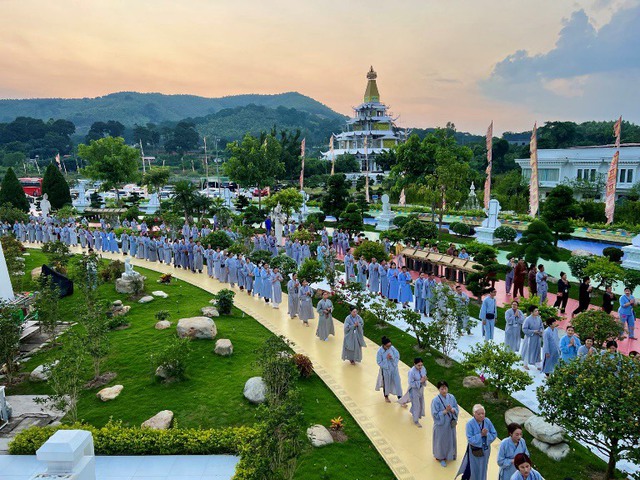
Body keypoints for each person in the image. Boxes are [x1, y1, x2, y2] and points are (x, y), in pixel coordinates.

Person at [456, 404, 498, 480]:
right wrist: (481, 435)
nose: (481, 416)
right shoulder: (470, 424)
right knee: (472, 466)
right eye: (479, 414)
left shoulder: (487, 421)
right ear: (474, 414)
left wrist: (486, 435)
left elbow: (494, 434)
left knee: (483, 466)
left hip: (485, 450)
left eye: (483, 414)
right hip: (474, 450)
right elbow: (470, 439)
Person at [431, 380, 459, 467]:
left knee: (451, 438)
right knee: (441, 441)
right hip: (441, 425)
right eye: (442, 389)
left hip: (450, 423)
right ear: (438, 389)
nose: (444, 391)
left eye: (445, 388)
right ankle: (440, 457)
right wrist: (445, 411)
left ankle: (451, 454)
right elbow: (435, 414)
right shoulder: (435, 400)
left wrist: (452, 410)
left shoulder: (451, 397)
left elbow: (456, 408)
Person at [399, 357, 427, 427]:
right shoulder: (411, 372)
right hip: (414, 390)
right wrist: (420, 381)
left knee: (421, 403)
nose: (420, 367)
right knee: (416, 405)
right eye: (418, 365)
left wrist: (424, 380)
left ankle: (414, 413)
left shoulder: (423, 368)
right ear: (414, 364)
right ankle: (416, 420)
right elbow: (411, 383)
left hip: (421, 389)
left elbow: (424, 376)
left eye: (421, 365)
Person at [375, 336, 403, 402]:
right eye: (387, 346)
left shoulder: (392, 348)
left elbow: (397, 356)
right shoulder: (379, 351)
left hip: (394, 368)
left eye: (390, 345)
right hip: (385, 370)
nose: (389, 347)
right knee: (386, 383)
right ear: (383, 345)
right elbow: (379, 362)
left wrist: (392, 358)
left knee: (397, 382)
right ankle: (386, 396)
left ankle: (400, 397)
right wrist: (386, 359)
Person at [521, 306, 543, 370]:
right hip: (530, 338)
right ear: (531, 312)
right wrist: (533, 331)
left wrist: (541, 330)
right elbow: (524, 329)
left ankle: (537, 364)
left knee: (537, 350)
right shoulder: (528, 319)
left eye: (538, 311)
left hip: (537, 337)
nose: (537, 312)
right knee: (528, 350)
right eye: (536, 311)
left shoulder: (539, 318)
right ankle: (525, 363)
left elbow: (541, 326)